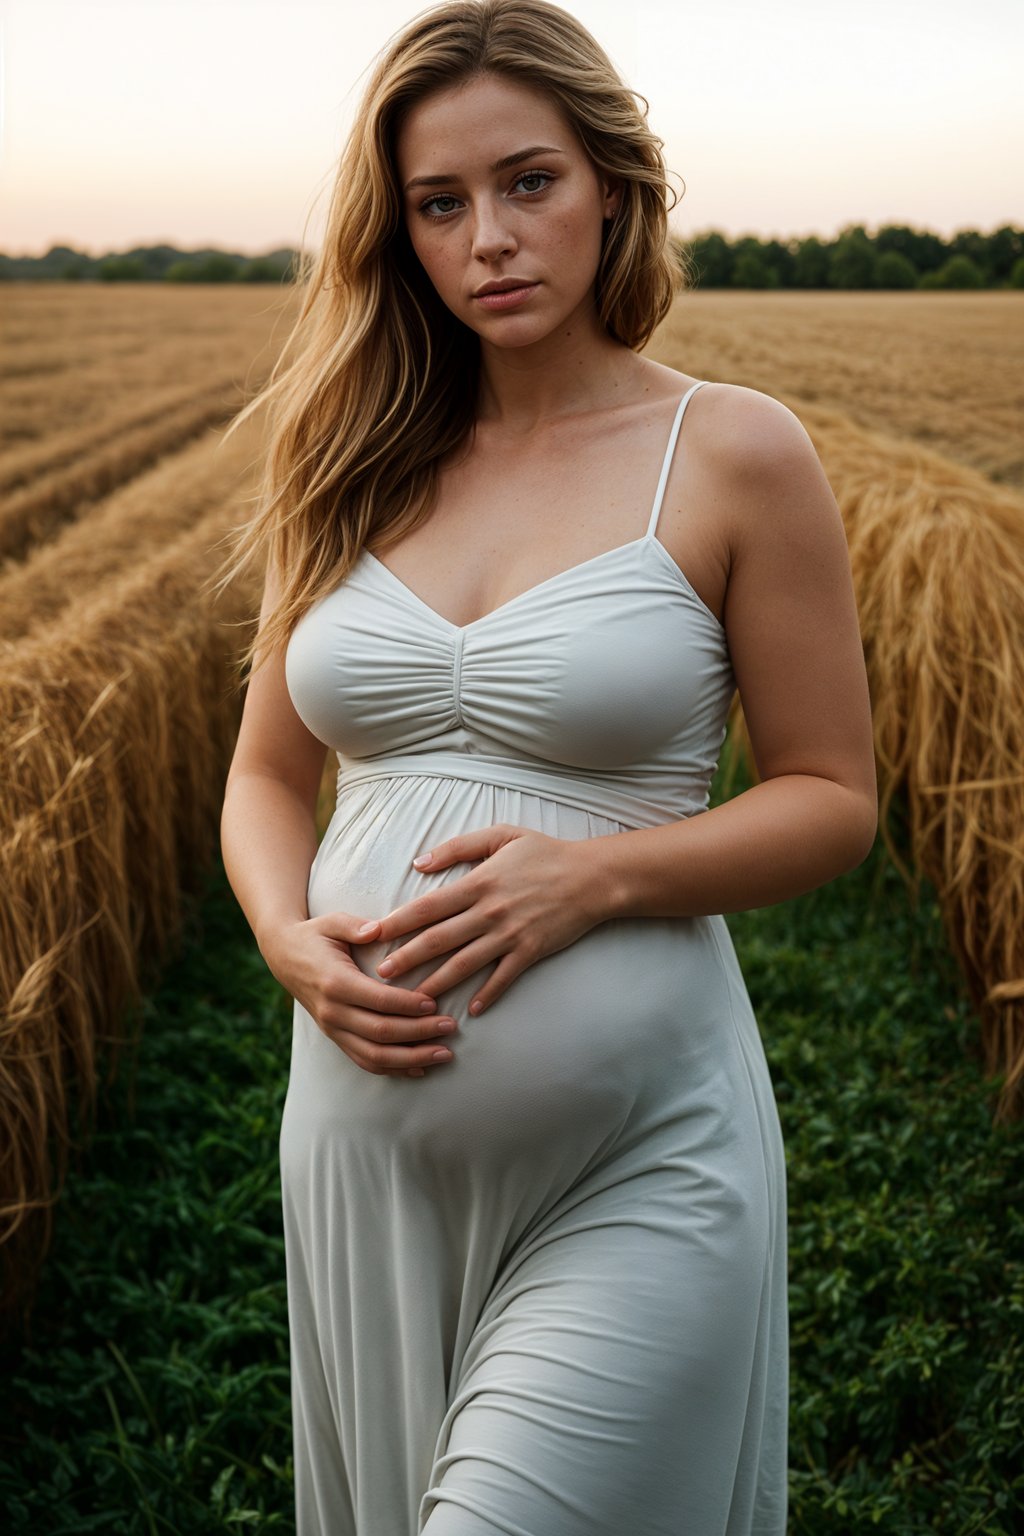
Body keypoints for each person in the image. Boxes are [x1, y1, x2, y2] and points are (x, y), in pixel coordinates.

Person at [217, 1, 878, 1531]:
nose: (489, 239)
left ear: (612, 186)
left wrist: (595, 876)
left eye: (529, 182)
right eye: (439, 205)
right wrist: (283, 933)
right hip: (361, 1164)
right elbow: (265, 778)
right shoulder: (342, 460)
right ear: (399, 236)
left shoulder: (730, 451)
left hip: (637, 1158)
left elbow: (831, 797)